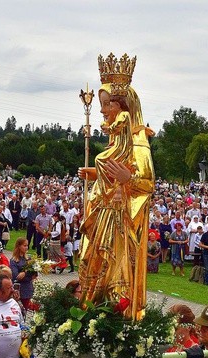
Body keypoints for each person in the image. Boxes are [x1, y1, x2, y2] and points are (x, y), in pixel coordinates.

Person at [78, 63, 155, 321]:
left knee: (114, 267)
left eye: (108, 103)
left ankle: (115, 313)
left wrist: (128, 179)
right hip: (103, 211)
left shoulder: (138, 141)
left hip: (121, 222)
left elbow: (147, 182)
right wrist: (94, 173)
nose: (102, 110)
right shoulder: (117, 140)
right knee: (91, 258)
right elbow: (110, 172)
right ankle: (91, 309)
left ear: (124, 107)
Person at [9, 238, 35, 311]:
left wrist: (24, 273)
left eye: (27, 246)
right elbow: (16, 276)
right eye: (24, 245)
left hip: (28, 288)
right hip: (18, 289)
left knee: (25, 310)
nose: (26, 247)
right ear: (19, 246)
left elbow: (33, 274)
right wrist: (28, 275)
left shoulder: (29, 259)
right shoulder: (14, 260)